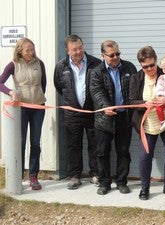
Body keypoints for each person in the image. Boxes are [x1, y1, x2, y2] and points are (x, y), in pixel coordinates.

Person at [129, 46, 165, 200]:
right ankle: (145, 187)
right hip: (147, 124)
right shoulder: (136, 78)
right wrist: (145, 103)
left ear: (156, 60)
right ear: (141, 65)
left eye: (152, 65)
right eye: (145, 66)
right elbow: (131, 101)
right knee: (145, 157)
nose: (149, 69)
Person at [89, 40, 137, 195]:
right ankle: (104, 183)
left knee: (123, 152)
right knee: (102, 152)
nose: (116, 57)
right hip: (104, 119)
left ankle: (122, 182)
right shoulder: (96, 72)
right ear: (103, 55)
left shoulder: (129, 67)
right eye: (111, 55)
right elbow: (96, 92)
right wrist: (105, 107)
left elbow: (135, 90)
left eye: (118, 53)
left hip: (124, 118)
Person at [54, 34, 101, 190]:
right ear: (67, 51)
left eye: (80, 47)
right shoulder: (61, 67)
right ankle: (75, 176)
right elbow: (59, 87)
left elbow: (101, 86)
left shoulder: (95, 63)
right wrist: (72, 101)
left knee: (95, 144)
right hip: (72, 113)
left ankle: (95, 174)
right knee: (74, 145)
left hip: (92, 111)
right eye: (74, 49)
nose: (78, 51)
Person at [0, 37, 47, 190]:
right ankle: (18, 175)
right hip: (22, 109)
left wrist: (37, 98)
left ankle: (33, 176)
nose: (31, 52)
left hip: (38, 107)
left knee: (35, 142)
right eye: (28, 50)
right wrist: (11, 91)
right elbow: (0, 82)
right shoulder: (13, 65)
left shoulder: (39, 64)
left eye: (32, 49)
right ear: (20, 50)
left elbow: (43, 84)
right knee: (20, 142)